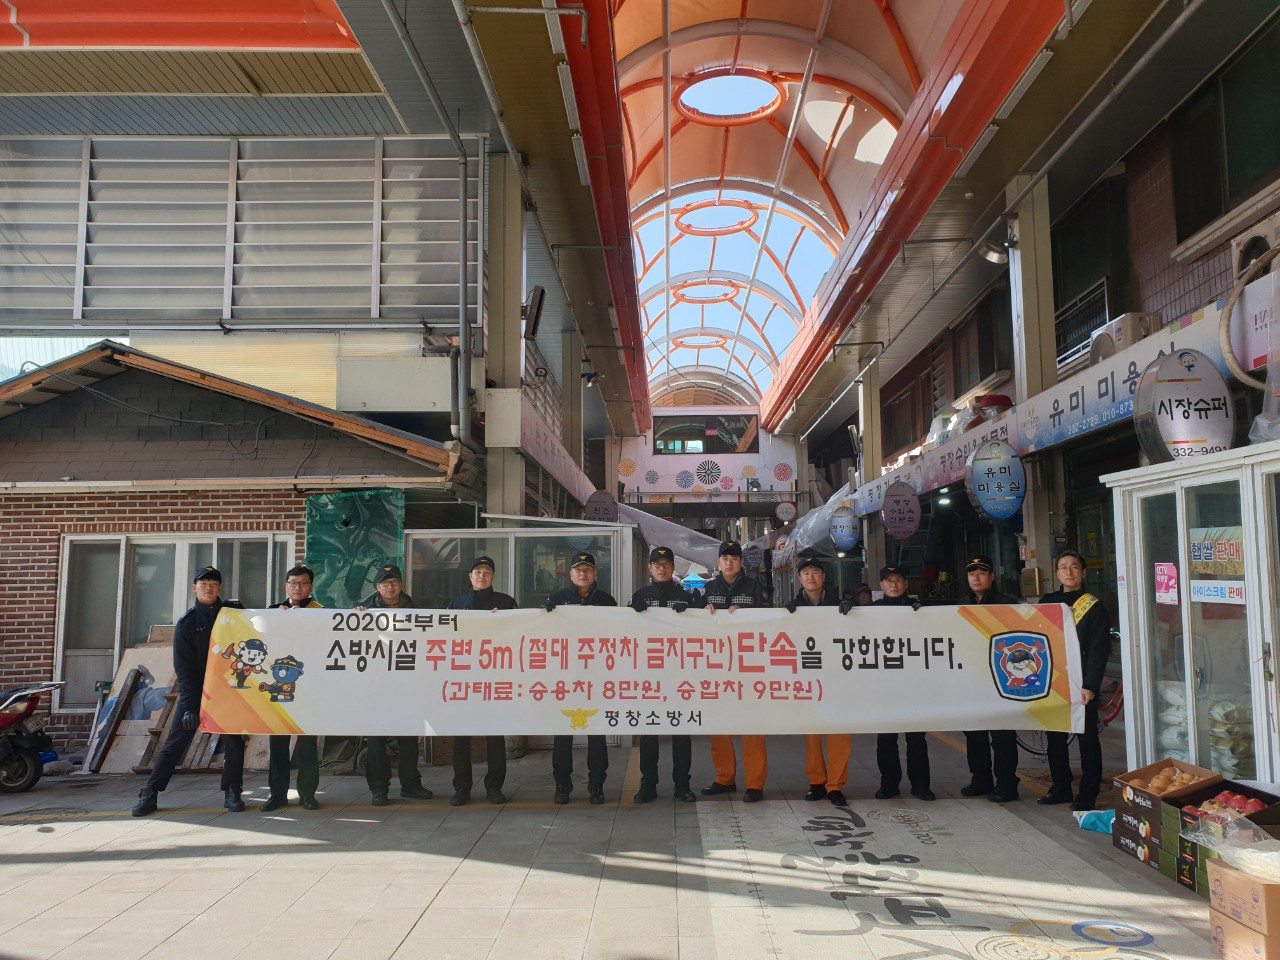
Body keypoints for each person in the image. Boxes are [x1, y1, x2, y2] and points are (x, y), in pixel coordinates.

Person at [132, 566, 246, 816]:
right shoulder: (187, 623)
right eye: (203, 583)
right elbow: (184, 670)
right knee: (176, 742)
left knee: (233, 743)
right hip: (196, 691)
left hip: (227, 692)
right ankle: (150, 792)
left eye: (213, 583)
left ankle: (232, 791)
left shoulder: (233, 613)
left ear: (220, 588)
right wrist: (190, 707)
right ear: (195, 588)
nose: (208, 587)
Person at [696, 540, 771, 802]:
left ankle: (755, 783)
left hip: (749, 666)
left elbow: (770, 620)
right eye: (725, 558)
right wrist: (701, 613)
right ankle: (724, 778)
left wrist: (746, 613)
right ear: (718, 562)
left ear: (741, 562)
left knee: (752, 726)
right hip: (717, 666)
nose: (729, 563)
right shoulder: (707, 589)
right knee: (720, 725)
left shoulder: (755, 588)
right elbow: (693, 624)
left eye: (734, 558)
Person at [355, 564, 433, 807]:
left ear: (401, 585)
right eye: (385, 583)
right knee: (376, 739)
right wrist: (356, 616)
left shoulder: (416, 612)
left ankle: (411, 784)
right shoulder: (362, 612)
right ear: (377, 587)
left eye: (394, 582)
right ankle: (379, 789)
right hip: (375, 687)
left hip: (407, 685)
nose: (390, 587)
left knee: (408, 738)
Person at [1038, 550, 1111, 811]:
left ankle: (1088, 794)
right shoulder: (1048, 602)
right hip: (1053, 679)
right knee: (1055, 738)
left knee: (1087, 738)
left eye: (1074, 567)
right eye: (1063, 567)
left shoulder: (1093, 606)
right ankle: (1061, 787)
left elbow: (1098, 649)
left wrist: (1090, 685)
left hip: (1082, 682)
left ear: (1083, 572)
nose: (1069, 572)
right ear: (1057, 573)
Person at [544, 551, 615, 805]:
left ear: (595, 574)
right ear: (571, 574)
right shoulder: (557, 600)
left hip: (596, 677)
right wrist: (543, 614)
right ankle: (562, 785)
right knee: (563, 734)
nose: (583, 573)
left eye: (587, 569)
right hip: (565, 678)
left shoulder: (607, 601)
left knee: (597, 734)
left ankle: (597, 786)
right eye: (578, 569)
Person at [447, 556, 517, 806]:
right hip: (464, 678)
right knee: (461, 737)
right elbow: (445, 636)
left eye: (487, 572)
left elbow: (519, 633)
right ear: (470, 576)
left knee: (494, 736)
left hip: (495, 678)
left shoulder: (506, 602)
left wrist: (504, 620)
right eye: (477, 571)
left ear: (493, 577)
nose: (482, 576)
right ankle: (462, 788)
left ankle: (494, 787)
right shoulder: (457, 604)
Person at [629, 546, 695, 804]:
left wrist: (694, 613)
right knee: (649, 731)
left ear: (673, 569)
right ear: (650, 568)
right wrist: (631, 613)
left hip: (680, 674)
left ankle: (682, 784)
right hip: (650, 674)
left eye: (666, 564)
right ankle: (648, 783)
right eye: (657, 564)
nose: (662, 568)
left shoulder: (686, 596)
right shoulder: (640, 596)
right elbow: (627, 631)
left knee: (682, 731)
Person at [787, 553, 850, 807]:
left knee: (839, 731)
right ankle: (816, 782)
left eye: (815, 572)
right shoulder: (791, 608)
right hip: (808, 677)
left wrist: (851, 612)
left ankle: (835, 785)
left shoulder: (842, 606)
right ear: (799, 579)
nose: (810, 577)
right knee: (812, 731)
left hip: (837, 677)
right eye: (805, 573)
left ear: (824, 577)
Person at [959, 555, 1020, 803]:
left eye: (981, 573)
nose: (976, 577)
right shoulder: (960, 606)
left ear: (992, 577)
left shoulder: (1006, 604)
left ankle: (1007, 784)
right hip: (972, 679)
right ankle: (981, 779)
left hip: (1001, 679)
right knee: (974, 734)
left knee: (1003, 735)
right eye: (971, 573)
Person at [263, 564, 323, 812]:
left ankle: (308, 794)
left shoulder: (321, 613)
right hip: (279, 687)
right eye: (293, 583)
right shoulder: (273, 612)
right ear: (286, 586)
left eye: (304, 583)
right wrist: (278, 621)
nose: (298, 587)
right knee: (278, 742)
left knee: (307, 744)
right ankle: (277, 795)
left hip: (309, 688)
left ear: (311, 586)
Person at [872, 565, 934, 801]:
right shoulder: (871, 611)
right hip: (885, 685)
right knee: (886, 738)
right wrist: (846, 609)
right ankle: (889, 784)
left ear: (906, 584)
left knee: (916, 737)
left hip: (914, 684)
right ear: (881, 585)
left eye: (898, 580)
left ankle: (921, 785)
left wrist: (925, 613)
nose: (894, 585)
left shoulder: (919, 609)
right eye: (888, 580)